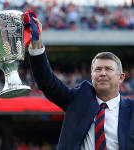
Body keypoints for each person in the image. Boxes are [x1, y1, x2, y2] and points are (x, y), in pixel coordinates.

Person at [27, 18, 134, 149]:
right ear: (91, 76)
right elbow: (48, 83)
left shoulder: (131, 110)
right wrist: (36, 44)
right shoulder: (78, 99)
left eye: (109, 69)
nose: (103, 73)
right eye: (98, 69)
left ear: (121, 77)